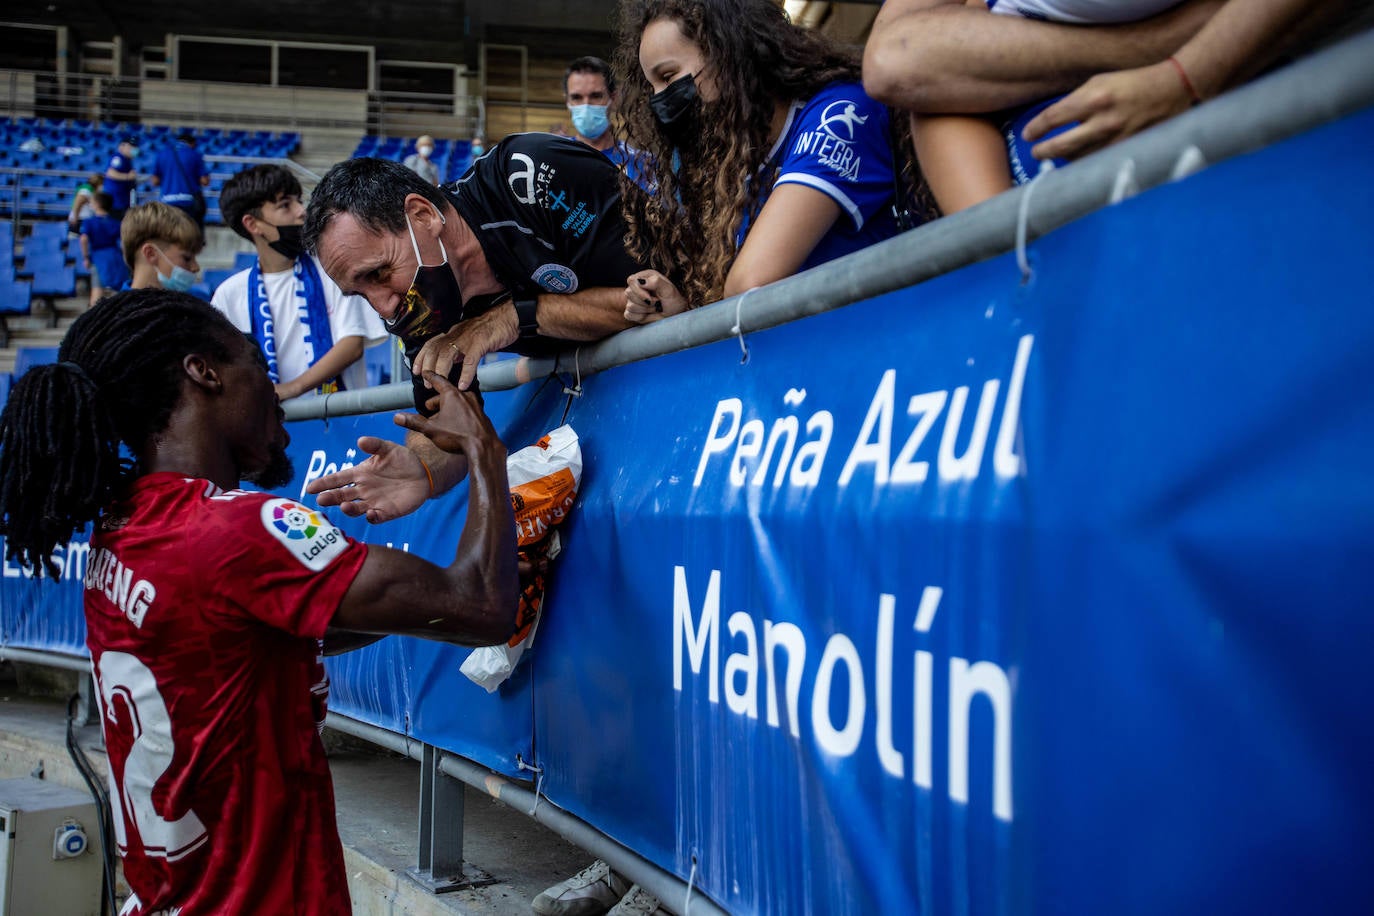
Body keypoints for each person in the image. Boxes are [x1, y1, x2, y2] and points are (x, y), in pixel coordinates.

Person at [0, 289, 518, 916]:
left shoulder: (126, 526)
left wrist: (389, 603)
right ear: (205, 371)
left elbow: (254, 645)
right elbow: (482, 603)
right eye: (256, 362)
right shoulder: (237, 530)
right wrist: (483, 449)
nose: (276, 389)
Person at [613, 0, 921, 324]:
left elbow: (749, 285)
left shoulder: (839, 110)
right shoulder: (740, 167)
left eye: (668, 75)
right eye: (652, 87)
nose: (659, 100)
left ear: (727, 52)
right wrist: (684, 313)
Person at [214, 164, 384, 401]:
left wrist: (291, 390)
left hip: (341, 423)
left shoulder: (332, 268)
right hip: (273, 429)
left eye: (298, 200)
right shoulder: (230, 294)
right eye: (285, 205)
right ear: (253, 224)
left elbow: (352, 344)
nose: (301, 211)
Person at [120, 201, 205, 292]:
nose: (196, 267)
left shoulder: (198, 302)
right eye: (187, 258)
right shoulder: (117, 306)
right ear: (150, 253)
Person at [152, 130, 210, 228]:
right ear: (191, 143)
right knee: (189, 235)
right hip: (188, 202)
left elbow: (155, 181)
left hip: (167, 201)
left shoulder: (162, 154)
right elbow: (205, 181)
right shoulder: (195, 155)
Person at [79, 191, 130, 304]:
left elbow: (83, 239)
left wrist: (86, 257)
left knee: (97, 294)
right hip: (116, 257)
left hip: (98, 257)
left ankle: (95, 319)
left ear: (97, 204)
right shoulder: (116, 223)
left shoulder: (89, 222)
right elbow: (123, 243)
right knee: (120, 291)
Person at [104, 135, 139, 220]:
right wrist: (128, 176)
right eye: (131, 146)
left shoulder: (127, 160)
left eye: (134, 146)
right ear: (122, 146)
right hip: (115, 202)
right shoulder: (118, 158)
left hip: (123, 201)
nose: (133, 149)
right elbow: (111, 173)